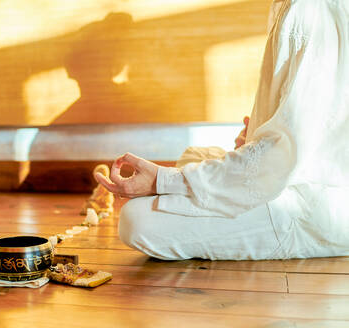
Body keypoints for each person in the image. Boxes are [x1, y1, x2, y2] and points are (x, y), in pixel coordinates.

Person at [95, 0, 349, 260]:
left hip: (316, 206)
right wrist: (255, 138)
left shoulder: (309, 9)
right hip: (302, 177)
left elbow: (284, 155)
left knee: (136, 220)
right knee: (195, 153)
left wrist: (162, 179)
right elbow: (310, 126)